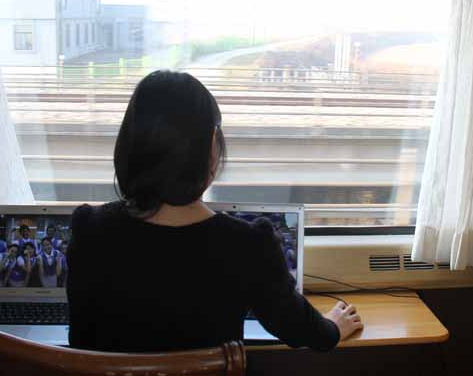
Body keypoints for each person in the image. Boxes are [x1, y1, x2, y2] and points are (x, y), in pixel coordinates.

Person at [67, 70, 362, 353]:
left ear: (129, 145)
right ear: (210, 149)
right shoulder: (247, 245)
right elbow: (302, 330)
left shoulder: (90, 228)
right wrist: (333, 328)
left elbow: (80, 342)